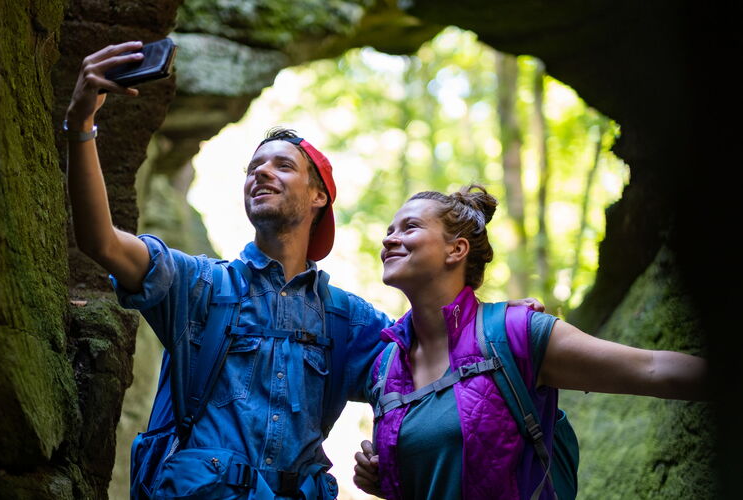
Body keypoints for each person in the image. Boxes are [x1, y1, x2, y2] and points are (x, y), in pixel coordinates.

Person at [63, 42, 544, 499]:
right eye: (254, 167)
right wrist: (82, 121)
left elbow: (437, 354)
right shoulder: (197, 285)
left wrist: (501, 325)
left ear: (319, 197)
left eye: (282, 166)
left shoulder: (349, 322)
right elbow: (100, 241)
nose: (261, 173)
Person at [352, 185, 708, 500]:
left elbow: (651, 368)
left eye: (409, 227)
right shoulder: (386, 368)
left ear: (456, 250)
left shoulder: (515, 334)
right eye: (389, 231)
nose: (389, 239)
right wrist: (387, 480)